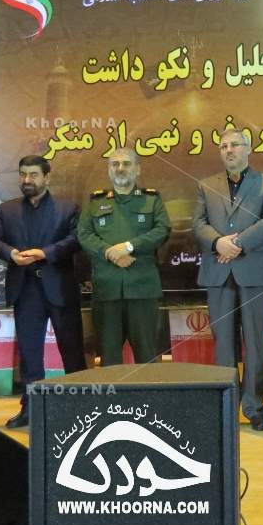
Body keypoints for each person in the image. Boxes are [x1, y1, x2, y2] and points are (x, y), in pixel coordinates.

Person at [0, 155, 87, 428]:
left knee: (72, 352)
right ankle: (31, 408)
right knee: (30, 354)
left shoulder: (67, 207)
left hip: (60, 288)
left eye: (33, 174)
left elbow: (76, 240)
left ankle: (81, 407)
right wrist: (11, 254)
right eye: (23, 174)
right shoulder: (7, 209)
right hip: (25, 290)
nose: (27, 180)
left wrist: (46, 253)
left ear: (47, 177)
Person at [193, 129, 263, 431]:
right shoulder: (206, 185)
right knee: (224, 345)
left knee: (255, 343)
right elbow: (198, 223)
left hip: (254, 272)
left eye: (234, 145)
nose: (228, 150)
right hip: (219, 273)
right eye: (223, 146)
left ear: (248, 149)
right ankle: (227, 408)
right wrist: (218, 243)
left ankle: (254, 408)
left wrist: (237, 244)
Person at [78, 147, 171, 367]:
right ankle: (113, 394)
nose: (120, 168)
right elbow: (84, 234)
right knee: (109, 359)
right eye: (115, 164)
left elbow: (162, 230)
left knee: (147, 357)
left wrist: (129, 247)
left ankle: (148, 392)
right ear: (109, 170)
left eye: (126, 163)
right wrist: (110, 253)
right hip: (107, 289)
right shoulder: (95, 201)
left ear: (137, 169)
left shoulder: (152, 200)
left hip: (142, 289)